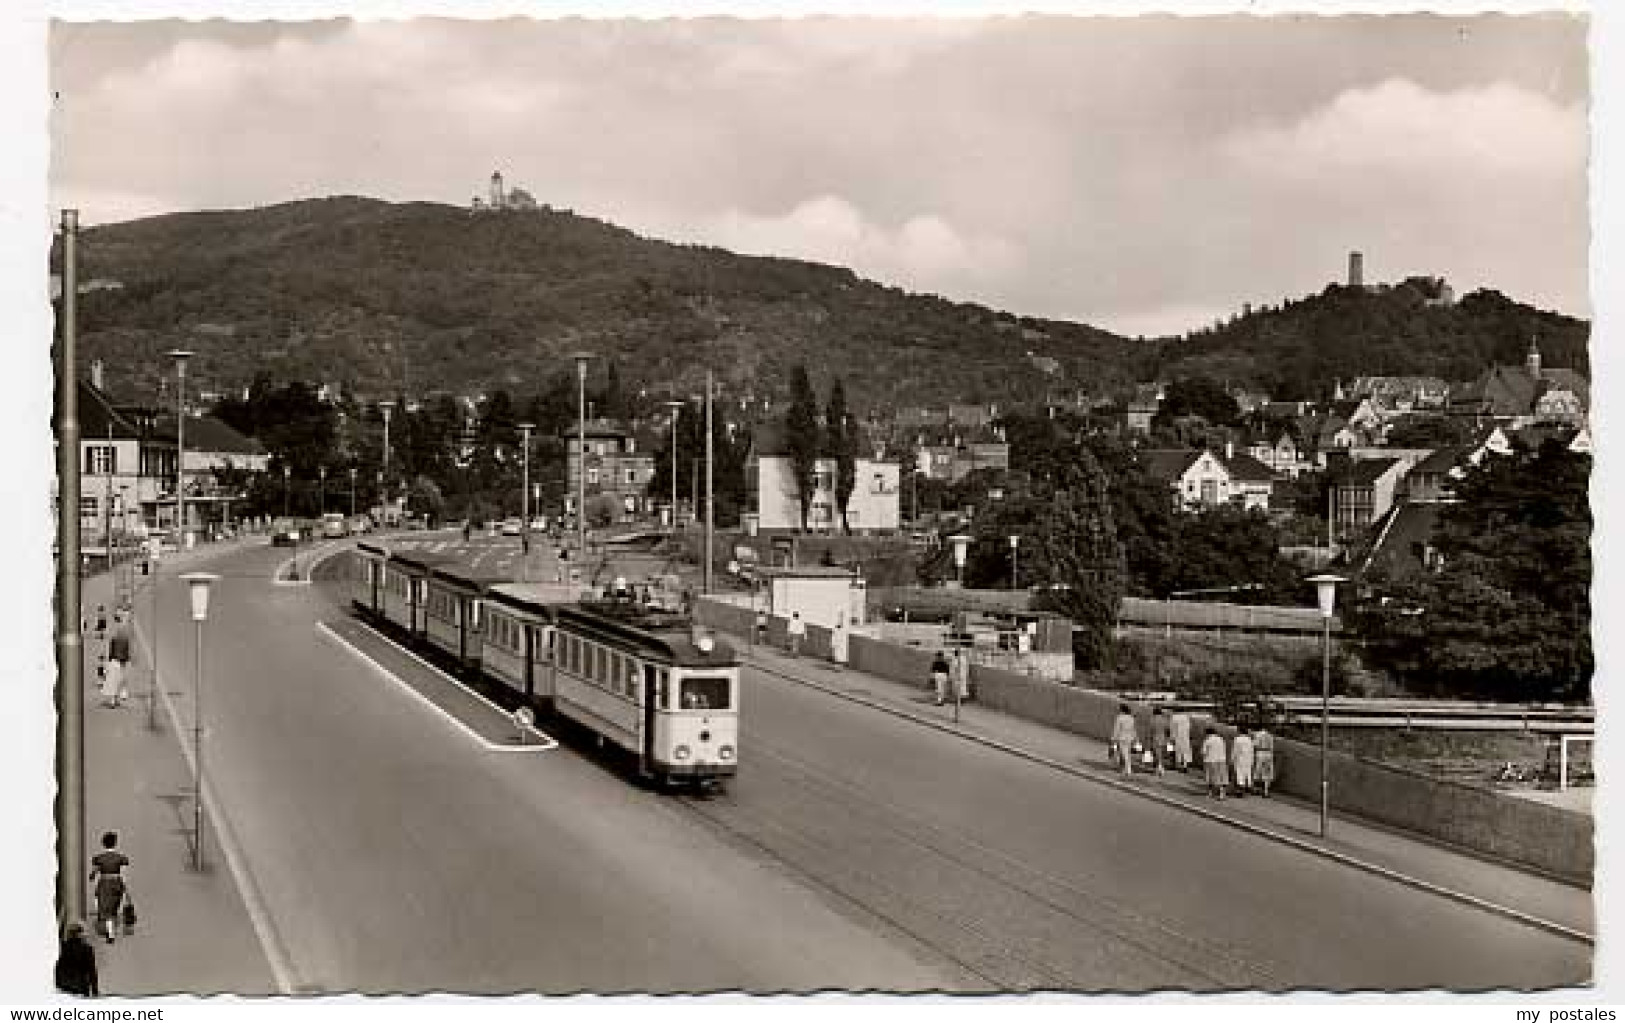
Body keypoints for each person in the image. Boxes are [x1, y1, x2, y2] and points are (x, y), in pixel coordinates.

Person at [88, 832, 129, 944]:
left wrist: (92, 876)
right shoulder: (120, 858)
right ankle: (111, 930)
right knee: (113, 908)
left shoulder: (99, 858)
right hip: (116, 883)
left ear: (103, 844)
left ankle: (110, 933)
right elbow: (123, 874)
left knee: (105, 908)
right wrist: (124, 886)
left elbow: (93, 873)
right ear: (115, 843)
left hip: (104, 883)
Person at [55, 921, 98, 997]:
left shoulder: (63, 948)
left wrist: (58, 985)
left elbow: (58, 968)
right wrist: (95, 990)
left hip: (65, 988)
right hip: (81, 987)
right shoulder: (87, 949)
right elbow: (92, 971)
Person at [1110, 704, 1139, 776]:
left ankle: (1128, 769)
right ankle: (1124, 768)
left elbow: (1117, 729)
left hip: (1122, 737)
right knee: (1126, 753)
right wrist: (1135, 738)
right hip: (1130, 737)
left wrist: (1113, 738)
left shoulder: (1120, 718)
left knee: (1124, 754)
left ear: (1122, 710)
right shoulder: (1131, 718)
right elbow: (1133, 729)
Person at [1201, 727, 1228, 800]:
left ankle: (1210, 793)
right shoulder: (1221, 739)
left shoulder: (1208, 740)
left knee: (1210, 778)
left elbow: (1203, 752)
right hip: (1222, 760)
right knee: (1221, 777)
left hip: (1210, 760)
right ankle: (1222, 794)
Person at [1252, 725, 1276, 797]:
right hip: (1268, 754)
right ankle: (1266, 791)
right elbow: (1272, 747)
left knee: (1257, 771)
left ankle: (1255, 789)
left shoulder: (1258, 734)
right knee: (1267, 773)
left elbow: (1255, 745)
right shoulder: (1270, 736)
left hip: (1260, 753)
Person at [1231, 728, 1255, 798]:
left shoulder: (1237, 739)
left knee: (1240, 774)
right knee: (1247, 774)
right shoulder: (1249, 740)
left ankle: (1240, 791)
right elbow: (1252, 751)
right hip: (1248, 759)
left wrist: (1232, 759)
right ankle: (1246, 788)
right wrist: (1252, 760)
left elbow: (1235, 750)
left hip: (1240, 758)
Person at [1149, 706, 1170, 777]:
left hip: (1155, 737)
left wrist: (1149, 738)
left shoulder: (1153, 719)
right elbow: (1167, 729)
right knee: (1161, 753)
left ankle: (1159, 768)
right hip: (1163, 737)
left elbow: (1151, 729)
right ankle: (1160, 767)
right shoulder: (1164, 719)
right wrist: (1167, 738)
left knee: (1157, 753)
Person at [1170, 708, 1193, 772]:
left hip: (1178, 736)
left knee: (1178, 751)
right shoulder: (1186, 717)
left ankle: (1179, 765)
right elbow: (1189, 727)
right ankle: (1185, 765)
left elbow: (1172, 728)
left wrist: (1172, 737)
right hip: (1186, 736)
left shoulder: (1174, 717)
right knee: (1186, 751)